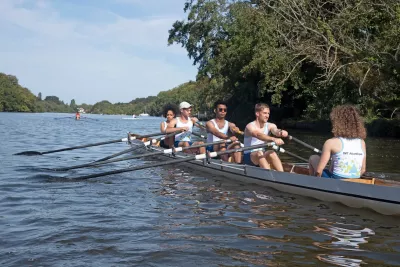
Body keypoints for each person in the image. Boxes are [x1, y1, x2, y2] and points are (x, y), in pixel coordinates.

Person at [308, 105, 367, 179]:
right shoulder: (361, 142)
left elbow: (319, 171)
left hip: (335, 181)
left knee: (313, 158)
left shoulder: (330, 142)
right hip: (355, 180)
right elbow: (363, 170)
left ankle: (313, 183)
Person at [243, 103, 288, 171]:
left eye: (268, 113)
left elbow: (275, 131)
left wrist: (281, 132)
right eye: (264, 113)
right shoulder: (250, 126)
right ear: (257, 114)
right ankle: (269, 176)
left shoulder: (270, 125)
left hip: (262, 154)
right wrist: (273, 139)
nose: (267, 116)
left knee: (271, 152)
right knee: (259, 152)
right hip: (249, 156)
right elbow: (258, 135)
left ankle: (282, 175)